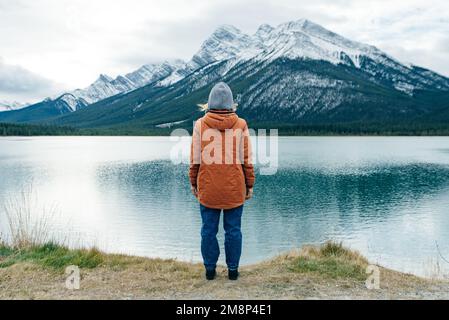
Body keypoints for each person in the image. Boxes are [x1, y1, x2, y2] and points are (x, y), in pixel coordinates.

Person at [189, 82, 255, 281]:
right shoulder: (241, 124)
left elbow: (195, 159)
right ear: (231, 104)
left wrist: (193, 182)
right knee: (233, 230)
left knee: (208, 230)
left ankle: (210, 270)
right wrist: (249, 184)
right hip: (234, 188)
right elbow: (247, 160)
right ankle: (233, 271)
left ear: (209, 103)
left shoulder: (200, 124)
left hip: (208, 188)